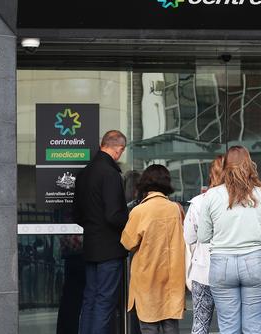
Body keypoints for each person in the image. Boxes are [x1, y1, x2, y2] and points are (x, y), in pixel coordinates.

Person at [198, 145, 261, 334]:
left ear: (225, 166)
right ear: (249, 164)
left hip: (221, 264)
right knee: (254, 327)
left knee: (228, 328)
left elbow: (203, 237)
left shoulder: (211, 196)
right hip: (255, 261)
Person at [73, 130, 129, 334]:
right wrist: (130, 223)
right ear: (119, 149)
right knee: (105, 302)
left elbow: (77, 215)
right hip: (110, 249)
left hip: (90, 247)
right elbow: (114, 215)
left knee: (90, 300)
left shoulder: (84, 173)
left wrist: (92, 227)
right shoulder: (110, 174)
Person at [121, 164, 186, 334]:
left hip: (148, 279)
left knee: (149, 327)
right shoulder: (176, 209)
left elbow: (127, 242)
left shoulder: (140, 210)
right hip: (172, 280)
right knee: (171, 326)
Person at [183, 155, 224, 334]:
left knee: (200, 324)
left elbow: (189, 237)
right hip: (228, 271)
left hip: (203, 271)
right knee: (229, 324)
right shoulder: (239, 200)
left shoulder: (199, 202)